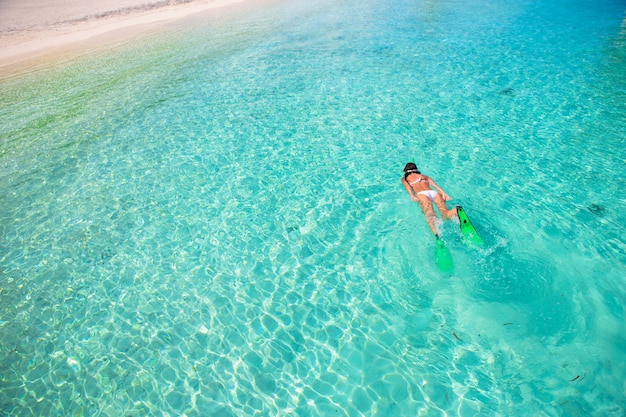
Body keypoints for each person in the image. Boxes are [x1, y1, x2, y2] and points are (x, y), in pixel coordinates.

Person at [401, 162, 458, 237]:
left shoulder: (405, 178)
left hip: (421, 194)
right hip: (434, 193)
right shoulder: (424, 176)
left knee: (430, 216)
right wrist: (444, 193)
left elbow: (407, 187)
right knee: (445, 214)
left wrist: (412, 195)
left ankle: (437, 235)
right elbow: (435, 186)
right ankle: (456, 211)